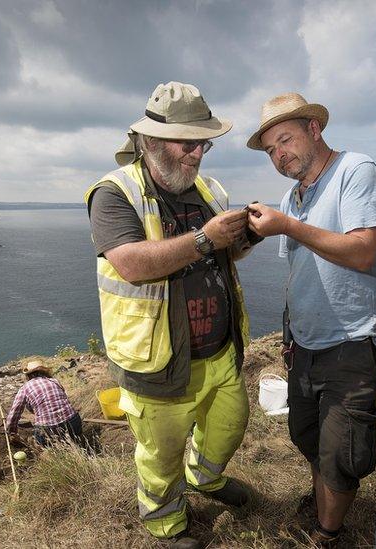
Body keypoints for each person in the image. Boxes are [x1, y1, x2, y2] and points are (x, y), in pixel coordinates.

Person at [84, 81, 252, 549]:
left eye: (204, 142)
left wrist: (243, 238)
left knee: (228, 427)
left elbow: (222, 257)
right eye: (188, 142)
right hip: (158, 361)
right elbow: (132, 264)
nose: (198, 153)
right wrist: (206, 238)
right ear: (152, 142)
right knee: (159, 457)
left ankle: (204, 478)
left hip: (219, 350)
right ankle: (165, 520)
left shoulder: (207, 189)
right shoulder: (113, 194)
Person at [245, 92, 376, 545]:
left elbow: (364, 251)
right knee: (307, 433)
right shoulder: (295, 194)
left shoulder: (356, 171)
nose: (279, 155)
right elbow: (301, 269)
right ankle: (324, 501)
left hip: (352, 338)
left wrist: (288, 225)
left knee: (342, 450)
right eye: (271, 150)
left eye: (285, 140)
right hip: (305, 343)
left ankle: (328, 533)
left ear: (315, 128)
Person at [4, 359, 84, 446]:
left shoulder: (25, 388)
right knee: (76, 442)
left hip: (49, 428)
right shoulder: (55, 381)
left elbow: (14, 414)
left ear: (28, 376)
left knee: (39, 445)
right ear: (45, 372)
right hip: (73, 421)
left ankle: (46, 454)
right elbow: (63, 399)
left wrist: (12, 432)